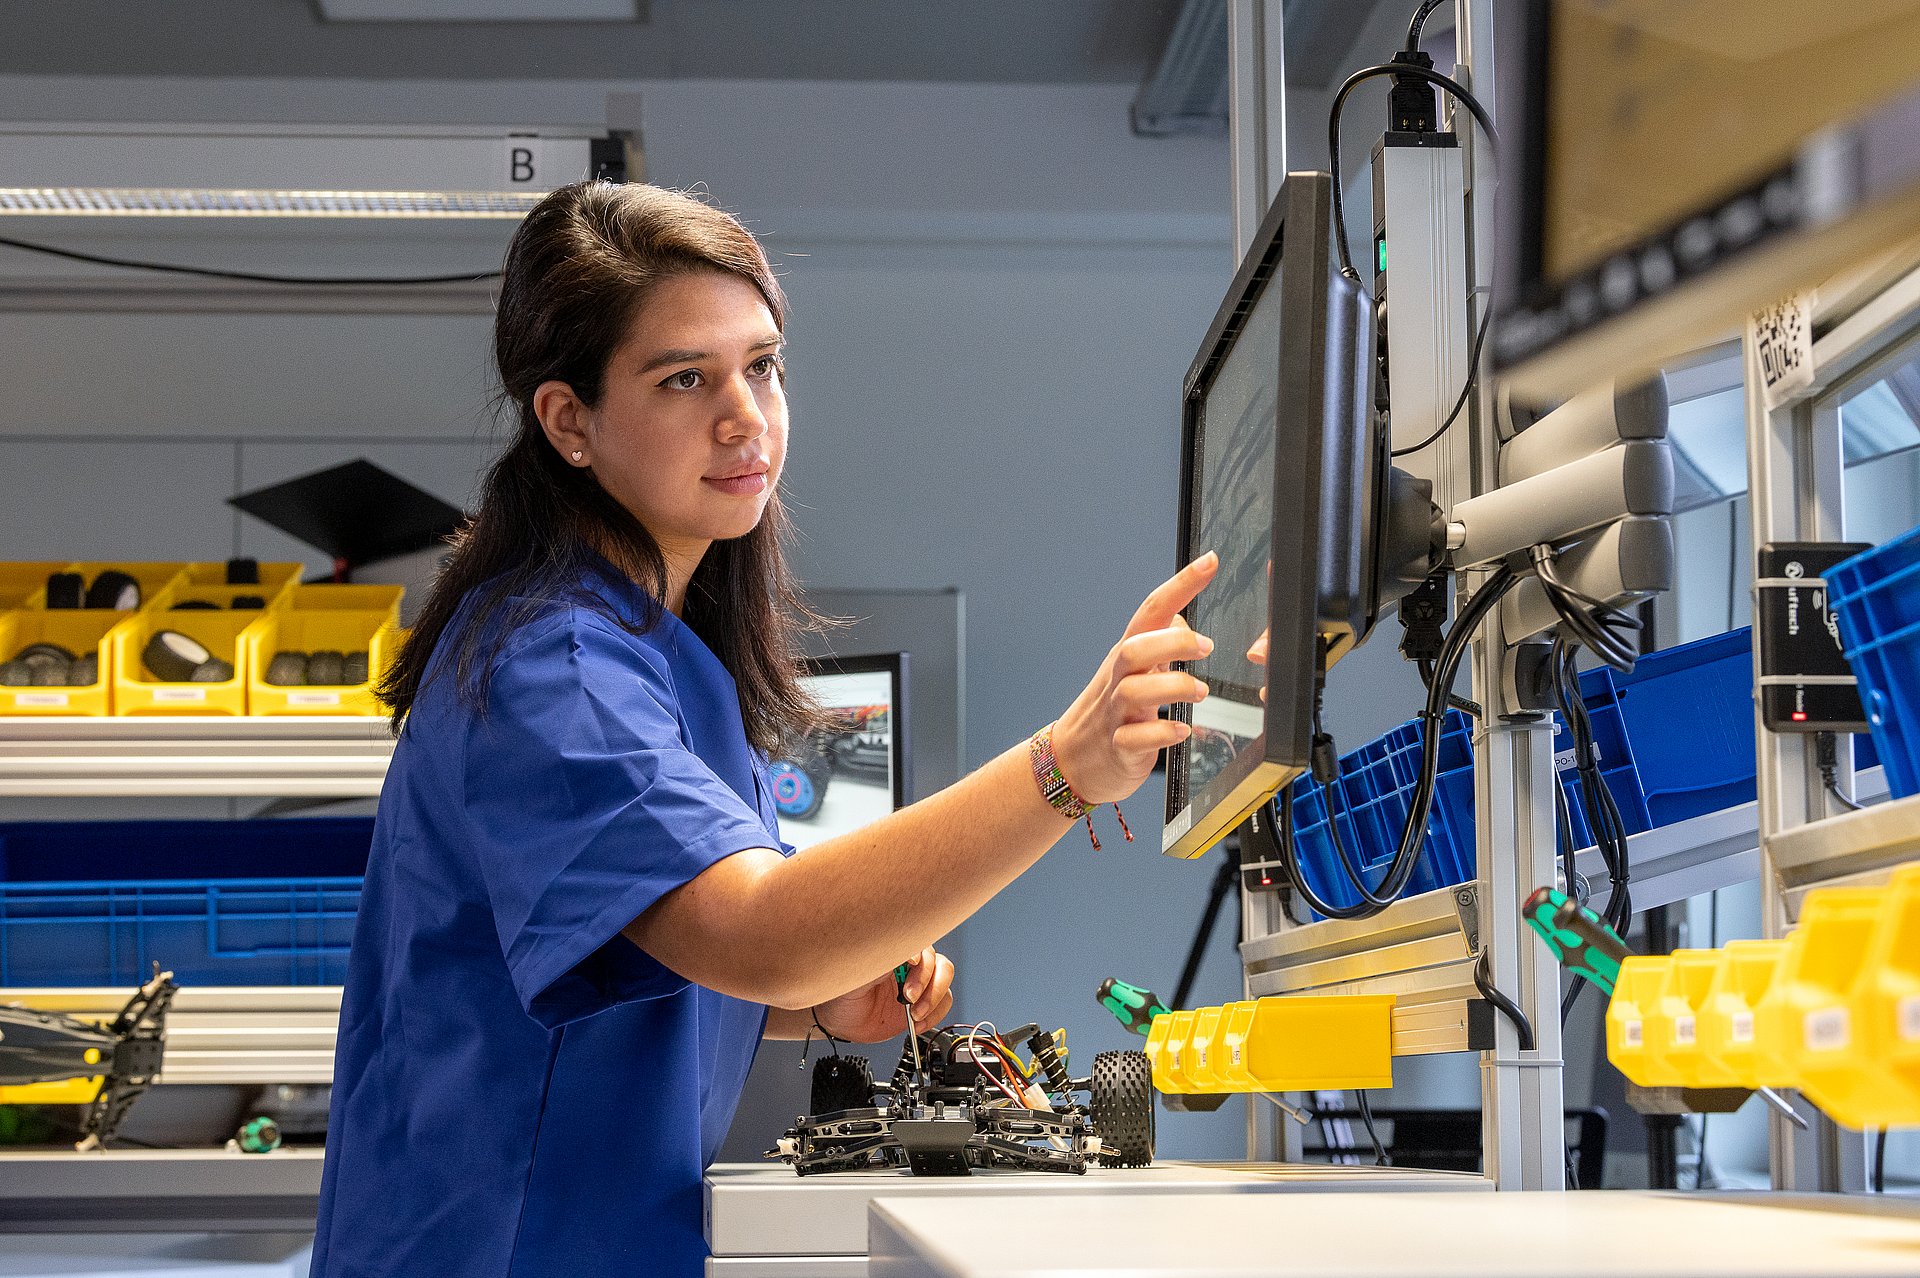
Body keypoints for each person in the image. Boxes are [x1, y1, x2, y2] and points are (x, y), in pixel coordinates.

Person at [308, 180, 1217, 1278]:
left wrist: (822, 996)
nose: (746, 414)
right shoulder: (559, 666)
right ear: (570, 421)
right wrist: (1063, 768)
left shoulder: (649, 649)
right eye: (684, 378)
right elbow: (755, 927)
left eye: (763, 365)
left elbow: (656, 965)